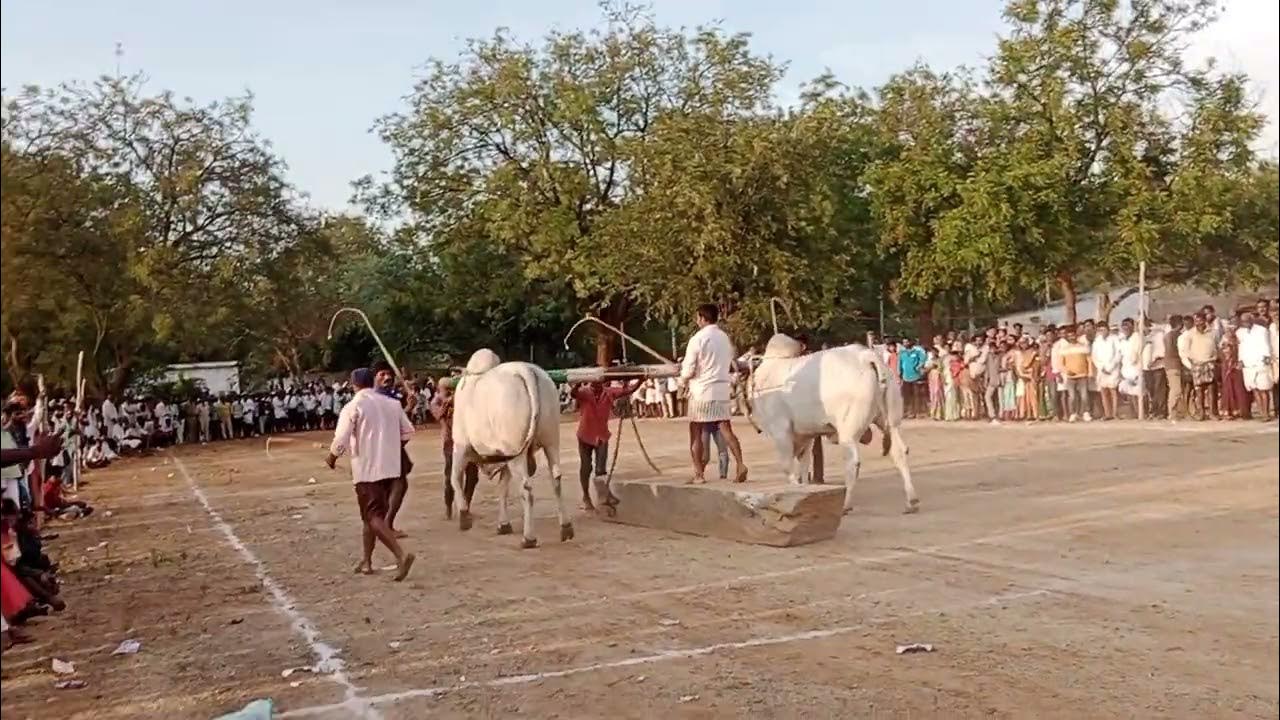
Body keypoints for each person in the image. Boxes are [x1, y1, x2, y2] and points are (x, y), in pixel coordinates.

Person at [326, 368, 415, 581]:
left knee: (373, 516)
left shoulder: (353, 406)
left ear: (354, 384)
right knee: (370, 516)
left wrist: (331, 457)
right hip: (390, 468)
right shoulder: (393, 404)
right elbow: (408, 431)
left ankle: (400, 556)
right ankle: (367, 560)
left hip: (367, 468)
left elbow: (341, 439)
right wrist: (390, 447)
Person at [678, 304, 747, 484]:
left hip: (702, 391)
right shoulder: (724, 338)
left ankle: (699, 474)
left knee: (696, 431)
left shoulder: (698, 339)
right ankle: (740, 464)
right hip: (721, 389)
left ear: (702, 318)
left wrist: (682, 381)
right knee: (726, 429)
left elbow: (689, 367)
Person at [571, 379, 641, 510]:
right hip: (585, 435)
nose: (596, 383)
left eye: (599, 381)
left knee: (600, 470)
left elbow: (628, 390)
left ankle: (603, 495)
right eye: (594, 381)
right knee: (586, 468)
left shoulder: (609, 393)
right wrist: (578, 383)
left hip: (602, 436)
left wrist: (641, 379)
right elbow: (574, 394)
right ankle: (586, 497)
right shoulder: (585, 392)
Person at [427, 377, 480, 519]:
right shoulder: (436, 401)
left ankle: (466, 505)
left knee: (472, 475)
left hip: (468, 441)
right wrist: (446, 404)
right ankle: (449, 507)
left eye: (452, 389)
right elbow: (437, 415)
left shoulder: (461, 400)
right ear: (440, 390)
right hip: (450, 442)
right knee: (451, 476)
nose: (450, 392)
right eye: (447, 389)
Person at [372, 362, 413, 537]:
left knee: (394, 485)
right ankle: (386, 524)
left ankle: (384, 524)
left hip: (391, 446)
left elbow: (399, 423)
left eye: (389, 374)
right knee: (398, 484)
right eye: (382, 374)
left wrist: (409, 408)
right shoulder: (374, 399)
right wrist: (408, 409)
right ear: (374, 377)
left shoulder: (392, 397)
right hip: (384, 447)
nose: (387, 378)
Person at [1181, 313, 1219, 420]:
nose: (1199, 323)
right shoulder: (1190, 334)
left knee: (1211, 389)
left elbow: (1217, 345)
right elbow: (1186, 350)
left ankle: (1212, 413)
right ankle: (1201, 413)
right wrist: (1192, 363)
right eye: (1196, 321)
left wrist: (1214, 358)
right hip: (1197, 364)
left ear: (1204, 320)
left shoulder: (1213, 332)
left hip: (1209, 363)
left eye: (1200, 320)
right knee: (1199, 390)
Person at [1236, 312, 1274, 420]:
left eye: (1247, 320)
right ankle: (1262, 413)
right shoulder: (1240, 332)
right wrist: (1240, 360)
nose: (1245, 323)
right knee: (1254, 389)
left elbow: (1266, 345)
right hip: (1248, 363)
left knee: (1263, 389)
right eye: (1243, 321)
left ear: (1252, 320)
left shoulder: (1262, 330)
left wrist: (1266, 358)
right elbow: (1241, 347)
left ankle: (1266, 413)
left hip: (1261, 362)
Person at [1059, 329, 1093, 422]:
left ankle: (1086, 413)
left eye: (1073, 335)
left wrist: (1090, 372)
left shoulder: (1083, 347)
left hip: (1082, 375)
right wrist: (1066, 371)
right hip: (1070, 377)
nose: (1071, 337)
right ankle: (1073, 413)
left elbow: (1089, 360)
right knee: (1072, 397)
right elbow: (1061, 363)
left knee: (1084, 396)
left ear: (1076, 336)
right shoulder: (1064, 349)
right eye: (1069, 336)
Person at [1091, 324, 1121, 420]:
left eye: (1103, 329)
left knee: (1113, 391)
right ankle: (1107, 413)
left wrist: (1110, 367)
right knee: (1104, 391)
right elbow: (1094, 356)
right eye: (1100, 330)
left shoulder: (1115, 339)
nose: (1102, 332)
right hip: (1102, 369)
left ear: (1108, 330)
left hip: (1113, 368)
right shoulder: (1097, 341)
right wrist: (1101, 367)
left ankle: (1115, 413)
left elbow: (1118, 354)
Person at [897, 339, 927, 418]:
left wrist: (919, 366)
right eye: (904, 342)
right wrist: (899, 373)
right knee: (907, 396)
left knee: (916, 395)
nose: (905, 344)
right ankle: (908, 412)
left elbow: (923, 359)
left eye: (907, 342)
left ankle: (918, 412)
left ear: (910, 342)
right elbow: (899, 364)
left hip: (916, 376)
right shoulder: (902, 353)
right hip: (905, 377)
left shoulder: (917, 351)